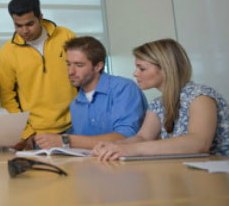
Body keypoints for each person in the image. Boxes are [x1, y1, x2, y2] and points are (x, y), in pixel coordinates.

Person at [93, 39, 229, 160]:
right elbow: (143, 137)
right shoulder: (158, 104)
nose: (135, 73)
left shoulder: (200, 96)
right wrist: (115, 145)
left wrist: (132, 150)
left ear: (165, 69)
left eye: (142, 68)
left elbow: (198, 143)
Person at [35, 36, 147, 150]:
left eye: (79, 65)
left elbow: (126, 137)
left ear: (98, 66)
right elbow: (83, 148)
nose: (70, 72)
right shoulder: (75, 104)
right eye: (68, 64)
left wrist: (66, 140)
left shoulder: (123, 88)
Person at [0, 0, 77, 150]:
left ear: (40, 17)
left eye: (30, 24)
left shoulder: (66, 36)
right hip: (39, 134)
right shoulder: (7, 52)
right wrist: (27, 132)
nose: (24, 31)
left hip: (76, 126)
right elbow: (7, 98)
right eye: (18, 25)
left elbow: (82, 77)